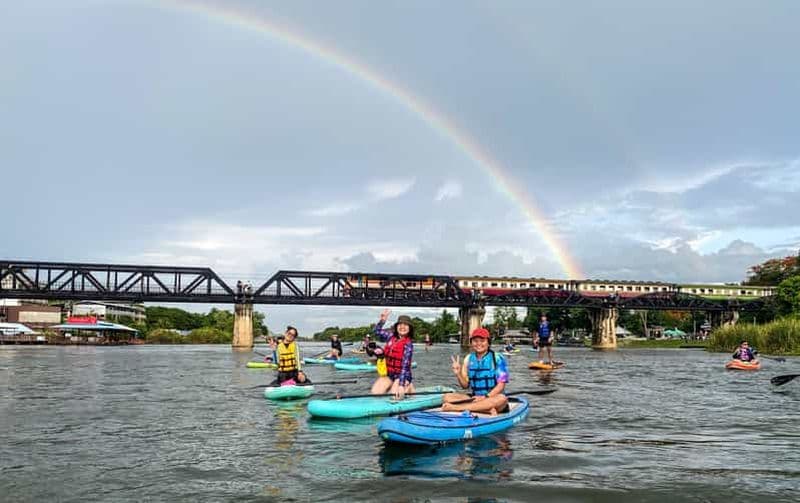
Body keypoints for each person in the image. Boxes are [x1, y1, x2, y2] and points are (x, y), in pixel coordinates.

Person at [442, 327, 509, 415]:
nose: (478, 344)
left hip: (492, 397)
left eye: (482, 341)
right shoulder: (468, 359)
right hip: (475, 398)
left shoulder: (498, 358)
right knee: (447, 397)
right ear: (471, 343)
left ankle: (457, 408)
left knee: (502, 399)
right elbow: (465, 386)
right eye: (475, 341)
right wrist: (458, 374)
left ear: (488, 343)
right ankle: (484, 409)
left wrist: (485, 397)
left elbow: (501, 385)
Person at [371, 309, 415, 399]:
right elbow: (376, 331)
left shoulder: (408, 344)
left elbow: (405, 366)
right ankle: (393, 385)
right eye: (400, 324)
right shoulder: (390, 336)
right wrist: (382, 320)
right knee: (375, 393)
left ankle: (408, 386)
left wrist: (401, 385)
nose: (402, 327)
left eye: (406, 325)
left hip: (402, 375)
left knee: (395, 396)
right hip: (389, 374)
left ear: (409, 328)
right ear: (396, 327)